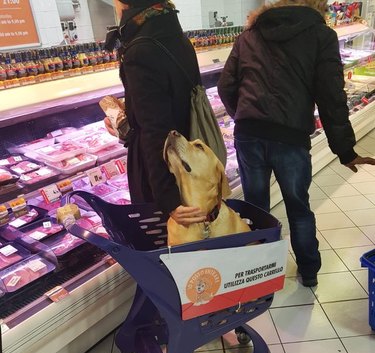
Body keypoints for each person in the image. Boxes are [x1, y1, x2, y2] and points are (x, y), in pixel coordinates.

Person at [217, 0, 375, 287]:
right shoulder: (320, 35)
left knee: (255, 208)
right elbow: (331, 96)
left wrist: (243, 117)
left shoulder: (249, 35)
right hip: (291, 137)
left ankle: (257, 273)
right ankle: (309, 270)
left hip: (249, 135)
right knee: (298, 207)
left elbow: (225, 86)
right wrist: (345, 150)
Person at [105, 0, 206, 226]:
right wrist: (129, 110)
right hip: (187, 155)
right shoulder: (176, 36)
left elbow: (154, 128)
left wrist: (168, 200)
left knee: (163, 247)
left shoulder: (140, 49)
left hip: (161, 169)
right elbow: (171, 98)